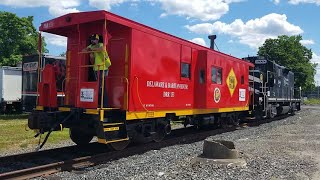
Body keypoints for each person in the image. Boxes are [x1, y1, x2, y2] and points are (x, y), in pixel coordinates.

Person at [82, 34, 111, 107]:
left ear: (97, 40)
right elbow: (83, 50)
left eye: (94, 39)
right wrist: (89, 51)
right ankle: (98, 102)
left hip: (104, 67)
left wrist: (92, 50)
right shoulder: (91, 46)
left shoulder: (100, 44)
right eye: (91, 39)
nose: (92, 40)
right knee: (98, 85)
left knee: (101, 86)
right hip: (96, 68)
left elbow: (102, 49)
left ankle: (104, 104)